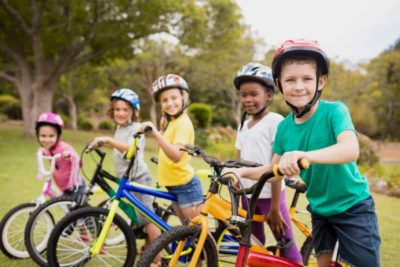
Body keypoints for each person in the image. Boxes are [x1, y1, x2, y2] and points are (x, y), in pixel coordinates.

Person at [226, 39, 381, 267]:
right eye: (290, 80)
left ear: (321, 81)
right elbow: (274, 171)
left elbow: (350, 149)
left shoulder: (335, 111)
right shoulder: (285, 128)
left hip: (353, 207)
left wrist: (304, 155)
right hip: (319, 211)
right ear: (279, 84)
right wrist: (241, 171)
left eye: (307, 79)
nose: (299, 86)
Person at [233, 62, 302, 263]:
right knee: (253, 242)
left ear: (269, 96)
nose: (247, 99)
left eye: (253, 94)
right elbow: (239, 162)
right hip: (248, 195)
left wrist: (273, 207)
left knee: (284, 240)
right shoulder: (243, 126)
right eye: (243, 95)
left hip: (269, 196)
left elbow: (277, 169)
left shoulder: (275, 121)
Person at [88, 88, 161, 254]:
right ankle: (147, 247)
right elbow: (119, 145)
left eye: (125, 110)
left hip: (139, 179)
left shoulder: (137, 128)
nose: (120, 113)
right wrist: (101, 143)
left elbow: (131, 149)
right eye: (117, 109)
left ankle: (158, 258)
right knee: (138, 216)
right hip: (127, 180)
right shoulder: (120, 128)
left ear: (133, 112)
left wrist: (109, 140)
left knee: (147, 218)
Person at [140, 74, 203, 223]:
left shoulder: (183, 123)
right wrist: (161, 130)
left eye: (174, 98)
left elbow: (176, 156)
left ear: (183, 97)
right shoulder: (172, 122)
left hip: (185, 186)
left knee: (196, 232)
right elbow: (163, 150)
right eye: (164, 100)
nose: (170, 103)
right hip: (174, 185)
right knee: (186, 230)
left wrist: (155, 134)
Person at [35, 112, 85, 199]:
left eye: (51, 136)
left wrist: (70, 156)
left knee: (78, 212)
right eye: (43, 136)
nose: (47, 140)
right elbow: (51, 154)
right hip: (65, 188)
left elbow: (79, 162)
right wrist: (43, 152)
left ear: (58, 136)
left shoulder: (64, 148)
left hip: (75, 187)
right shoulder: (50, 149)